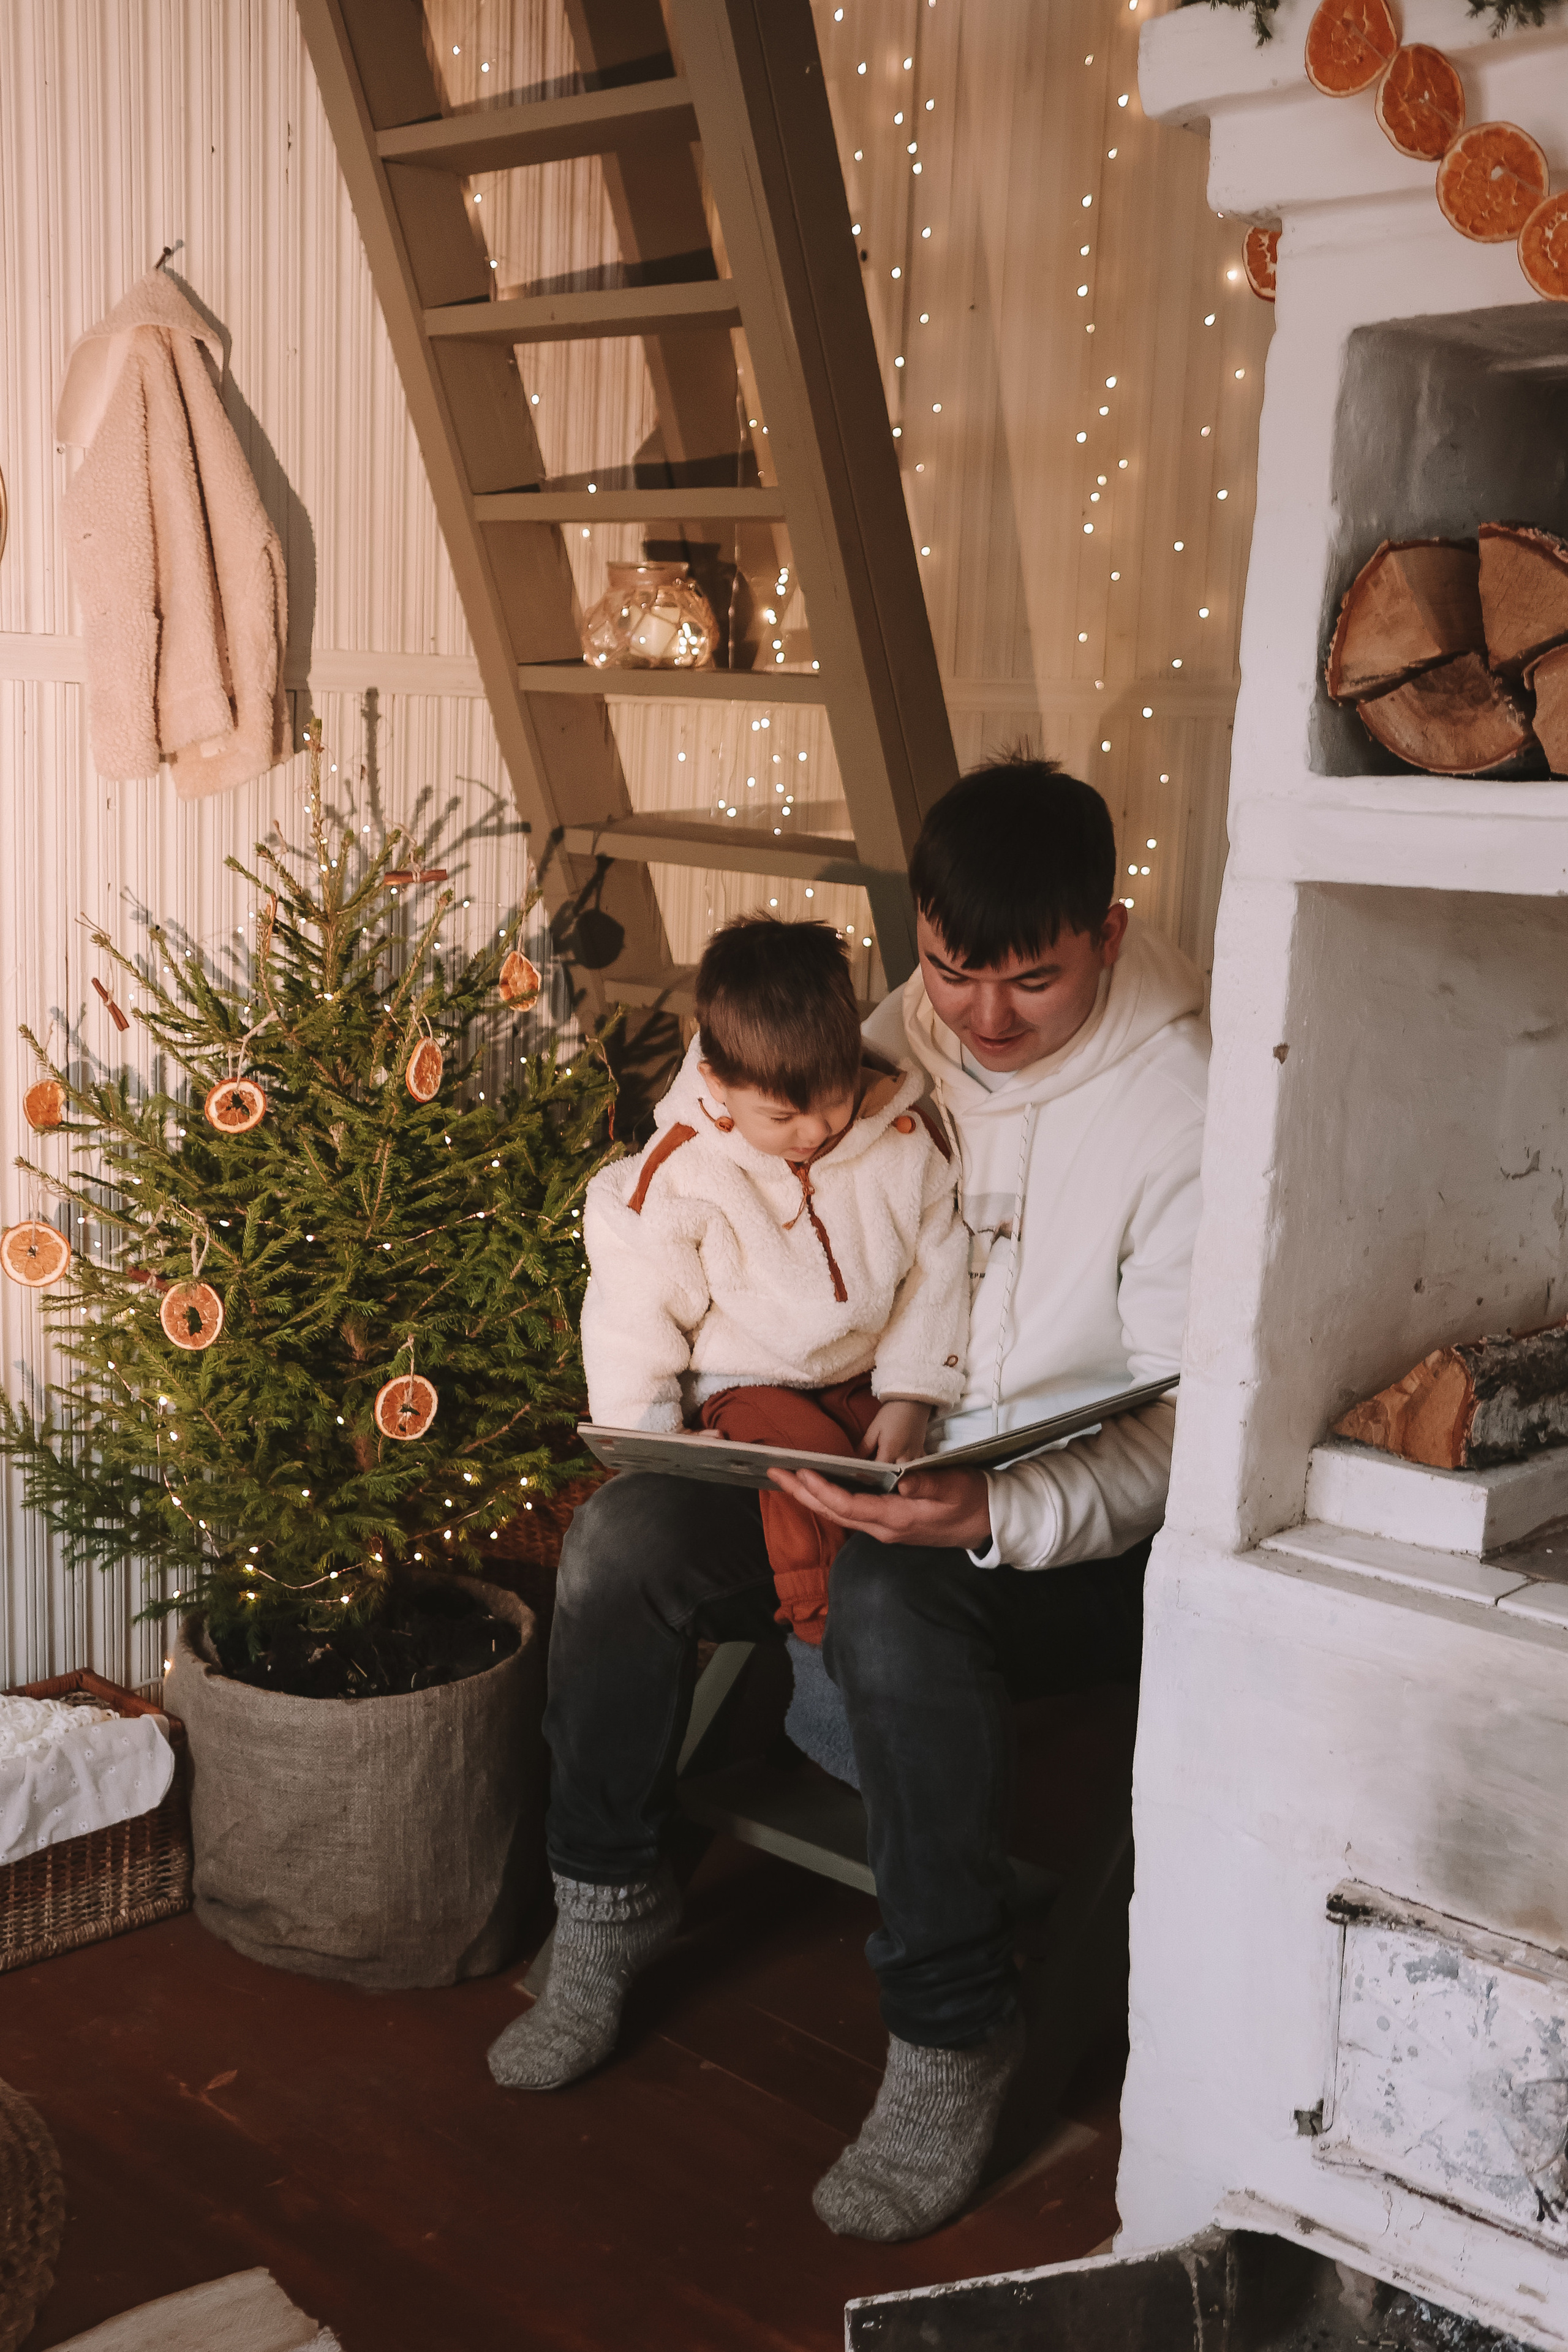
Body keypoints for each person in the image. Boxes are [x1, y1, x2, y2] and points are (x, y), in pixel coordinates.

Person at [488, 754, 1209, 2247]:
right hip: (859, 1457)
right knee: (621, 1542)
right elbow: (717, 1102)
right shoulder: (894, 1031)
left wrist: (989, 1514)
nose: (982, 1018)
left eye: (1032, 981)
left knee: (890, 1591)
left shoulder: (1183, 1106)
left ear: (1108, 933)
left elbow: (1184, 1431)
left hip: (1061, 1529)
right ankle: (607, 1902)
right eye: (951, 971)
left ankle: (951, 2027)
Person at [577, 912, 970, 1645]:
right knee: (807, 1469)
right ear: (717, 1083)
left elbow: (935, 1269)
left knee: (903, 1477)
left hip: (864, 1375)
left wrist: (912, 1394)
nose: (814, 1130)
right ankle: (825, 1631)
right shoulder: (684, 1171)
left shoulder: (906, 1141)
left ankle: (899, 1627)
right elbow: (632, 1306)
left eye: (833, 1097)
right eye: (783, 1115)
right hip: (748, 1382)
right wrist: (652, 1436)